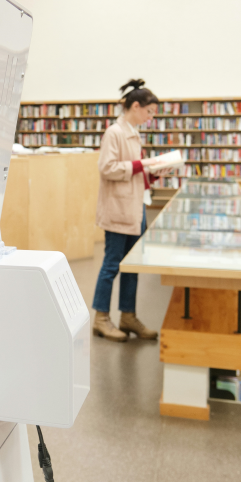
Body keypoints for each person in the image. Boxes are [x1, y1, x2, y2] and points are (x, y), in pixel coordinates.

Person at [91, 79, 167, 342]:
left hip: (135, 210)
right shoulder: (114, 133)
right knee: (111, 265)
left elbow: (135, 173)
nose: (150, 117)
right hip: (118, 211)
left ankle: (128, 316)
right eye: (149, 112)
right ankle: (101, 318)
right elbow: (108, 168)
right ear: (136, 106)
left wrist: (154, 174)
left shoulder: (134, 133)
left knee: (133, 265)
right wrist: (142, 164)